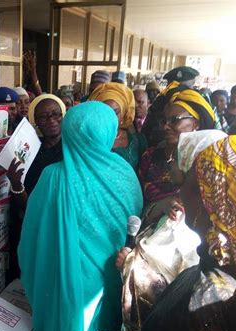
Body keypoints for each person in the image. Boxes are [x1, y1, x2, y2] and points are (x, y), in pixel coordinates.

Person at [88, 135, 236, 331]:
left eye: (189, 178)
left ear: (207, 202)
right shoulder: (230, 274)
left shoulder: (206, 299)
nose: (178, 187)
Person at [18, 101, 143, 331]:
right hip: (114, 277)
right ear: (108, 132)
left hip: (63, 281)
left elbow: (32, 239)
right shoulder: (126, 173)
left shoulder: (53, 177)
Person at [119, 130, 227, 331]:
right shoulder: (184, 206)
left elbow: (177, 286)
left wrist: (130, 263)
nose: (170, 163)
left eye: (176, 158)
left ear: (195, 167)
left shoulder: (198, 223)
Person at [5, 94, 66, 281]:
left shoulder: (73, 151)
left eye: (56, 114)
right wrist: (15, 184)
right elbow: (29, 204)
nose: (51, 120)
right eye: (43, 116)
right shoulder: (29, 150)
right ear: (35, 121)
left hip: (59, 226)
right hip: (30, 221)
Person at [139, 87, 217, 218]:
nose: (165, 126)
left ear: (195, 124)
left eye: (175, 120)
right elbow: (137, 202)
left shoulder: (207, 163)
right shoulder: (150, 157)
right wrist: (161, 206)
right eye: (164, 121)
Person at [88, 83, 146, 170]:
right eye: (104, 112)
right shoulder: (88, 140)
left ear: (123, 114)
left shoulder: (137, 142)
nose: (109, 118)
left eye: (115, 112)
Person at [141, 66, 200, 147]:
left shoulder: (201, 104)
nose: (180, 92)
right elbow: (149, 129)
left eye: (186, 87)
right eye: (176, 87)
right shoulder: (160, 103)